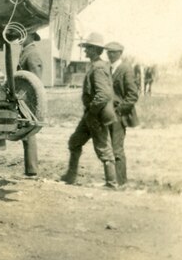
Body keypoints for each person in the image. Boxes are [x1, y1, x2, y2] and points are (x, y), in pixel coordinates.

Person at [60, 32, 118, 188]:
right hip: (90, 115)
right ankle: (70, 176)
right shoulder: (97, 66)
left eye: (87, 48)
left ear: (94, 50)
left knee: (103, 148)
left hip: (95, 116)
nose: (85, 51)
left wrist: (92, 110)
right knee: (74, 142)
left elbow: (104, 94)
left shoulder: (98, 68)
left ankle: (112, 183)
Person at [106, 41, 140, 186]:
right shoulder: (107, 68)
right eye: (108, 52)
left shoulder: (126, 69)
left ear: (120, 53)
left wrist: (119, 110)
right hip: (106, 114)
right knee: (107, 148)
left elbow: (133, 95)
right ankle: (111, 180)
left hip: (119, 115)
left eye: (113, 52)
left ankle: (121, 181)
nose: (110, 55)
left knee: (117, 148)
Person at [17, 31, 43, 176]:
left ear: (32, 37)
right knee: (26, 134)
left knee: (28, 133)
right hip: (23, 99)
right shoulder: (25, 52)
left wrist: (33, 101)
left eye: (24, 35)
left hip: (29, 101)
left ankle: (32, 171)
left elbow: (35, 81)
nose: (21, 38)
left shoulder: (32, 53)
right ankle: (30, 170)